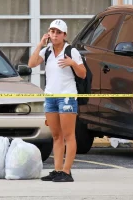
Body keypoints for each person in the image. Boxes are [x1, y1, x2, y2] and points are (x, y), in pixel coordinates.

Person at [28, 19, 86, 182]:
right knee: (56, 135)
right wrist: (40, 44)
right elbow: (31, 63)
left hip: (67, 96)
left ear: (64, 35)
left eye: (58, 32)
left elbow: (83, 74)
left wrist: (72, 63)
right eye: (52, 31)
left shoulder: (71, 51)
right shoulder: (46, 50)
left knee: (69, 135)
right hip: (51, 96)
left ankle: (67, 172)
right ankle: (57, 170)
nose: (54, 35)